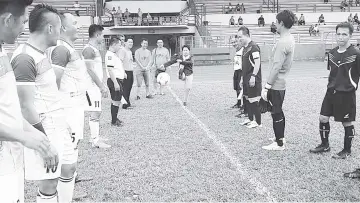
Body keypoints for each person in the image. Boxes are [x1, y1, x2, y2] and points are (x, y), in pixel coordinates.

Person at [10, 4, 75, 202]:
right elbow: (25, 106)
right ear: (49, 28)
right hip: (44, 127)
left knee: (68, 167)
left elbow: (48, 92)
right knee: (49, 182)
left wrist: (63, 121)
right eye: (59, 28)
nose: (60, 32)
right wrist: (43, 143)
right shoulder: (24, 57)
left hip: (57, 123)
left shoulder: (40, 53)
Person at [0, 1, 59, 202]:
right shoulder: (23, 57)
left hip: (10, 158)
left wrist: (32, 132)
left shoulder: (3, 52)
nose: (25, 28)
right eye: (23, 22)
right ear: (8, 20)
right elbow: (24, 104)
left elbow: (9, 109)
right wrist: (25, 136)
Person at [48, 12, 92, 200]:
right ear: (64, 27)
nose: (79, 26)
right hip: (67, 108)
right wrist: (59, 115)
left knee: (72, 153)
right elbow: (53, 84)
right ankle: (61, 193)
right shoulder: (60, 50)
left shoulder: (68, 48)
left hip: (76, 106)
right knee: (67, 158)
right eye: (75, 23)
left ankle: (68, 190)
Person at [310, 22, 360, 159]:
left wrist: (353, 85)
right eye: (338, 34)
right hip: (331, 92)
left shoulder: (356, 53)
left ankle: (346, 150)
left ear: (350, 36)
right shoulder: (331, 53)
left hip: (346, 94)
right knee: (323, 118)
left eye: (344, 34)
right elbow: (332, 73)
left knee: (346, 122)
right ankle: (325, 145)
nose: (341, 37)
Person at [261, 10, 296, 150]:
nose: (275, 24)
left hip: (277, 83)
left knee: (276, 112)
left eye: (276, 21)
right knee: (278, 111)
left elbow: (276, 67)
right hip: (281, 81)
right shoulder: (289, 38)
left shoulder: (283, 42)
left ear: (281, 23)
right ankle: (279, 137)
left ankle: (279, 143)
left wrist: (267, 86)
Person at [83, 24, 111, 148]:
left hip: (95, 86)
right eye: (102, 35)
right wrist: (101, 86)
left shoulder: (94, 49)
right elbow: (89, 70)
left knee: (95, 111)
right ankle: (95, 140)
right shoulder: (88, 49)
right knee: (96, 112)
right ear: (97, 34)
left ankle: (94, 137)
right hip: (91, 87)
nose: (103, 37)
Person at [236, 26, 262, 129]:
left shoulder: (254, 47)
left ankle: (258, 122)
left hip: (253, 79)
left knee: (254, 100)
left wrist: (253, 76)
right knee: (247, 98)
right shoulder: (245, 48)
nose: (239, 39)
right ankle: (250, 119)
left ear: (246, 35)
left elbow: (257, 62)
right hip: (246, 78)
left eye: (240, 37)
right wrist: (242, 78)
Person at [105, 36, 126, 126]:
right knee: (116, 100)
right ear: (113, 45)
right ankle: (114, 121)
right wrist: (116, 83)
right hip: (114, 80)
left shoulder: (113, 54)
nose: (120, 47)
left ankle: (115, 118)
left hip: (118, 79)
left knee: (116, 100)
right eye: (119, 45)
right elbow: (110, 70)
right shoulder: (109, 55)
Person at [117, 37, 135, 109]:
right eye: (129, 42)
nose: (131, 43)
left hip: (130, 71)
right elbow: (120, 62)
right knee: (125, 88)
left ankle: (128, 102)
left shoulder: (129, 51)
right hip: (126, 72)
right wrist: (123, 72)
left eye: (132, 42)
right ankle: (124, 105)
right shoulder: (123, 51)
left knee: (129, 88)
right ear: (125, 43)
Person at [230, 37, 244, 110]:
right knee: (236, 87)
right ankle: (238, 103)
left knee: (241, 87)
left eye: (235, 42)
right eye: (232, 42)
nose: (234, 44)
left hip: (241, 70)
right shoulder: (236, 50)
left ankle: (244, 105)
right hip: (236, 70)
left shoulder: (242, 50)